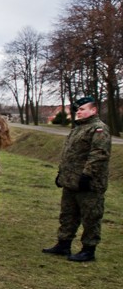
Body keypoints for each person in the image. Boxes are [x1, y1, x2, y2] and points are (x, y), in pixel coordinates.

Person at [43, 97, 111, 262]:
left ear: (93, 110)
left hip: (88, 183)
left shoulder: (98, 129)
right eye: (78, 110)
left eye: (82, 109)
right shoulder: (78, 129)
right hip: (71, 181)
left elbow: (99, 154)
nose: (78, 112)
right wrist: (62, 174)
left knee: (91, 216)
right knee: (68, 214)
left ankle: (88, 249)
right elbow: (70, 155)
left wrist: (87, 175)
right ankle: (63, 243)